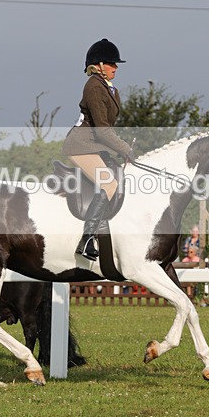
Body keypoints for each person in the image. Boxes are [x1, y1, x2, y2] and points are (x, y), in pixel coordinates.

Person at [62, 38, 134, 261]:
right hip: (80, 145)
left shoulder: (110, 89)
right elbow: (103, 130)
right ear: (100, 65)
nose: (116, 68)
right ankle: (86, 241)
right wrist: (124, 149)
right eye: (112, 63)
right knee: (108, 184)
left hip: (94, 145)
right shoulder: (94, 86)